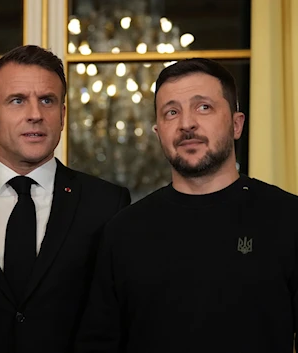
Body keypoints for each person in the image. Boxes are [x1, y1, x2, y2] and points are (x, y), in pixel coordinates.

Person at [75, 58, 298, 353]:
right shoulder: (123, 232)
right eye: (171, 112)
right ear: (158, 132)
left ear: (236, 124)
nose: (187, 123)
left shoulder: (287, 218)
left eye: (203, 107)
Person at [0, 45, 131, 353]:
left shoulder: (106, 204)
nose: (35, 115)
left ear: (63, 116)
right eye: (17, 101)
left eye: (47, 101)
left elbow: (119, 321)